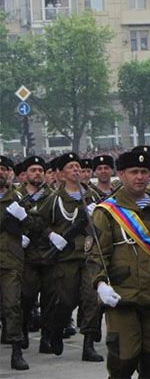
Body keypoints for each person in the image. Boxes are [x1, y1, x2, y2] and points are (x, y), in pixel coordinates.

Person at [88, 150, 150, 377]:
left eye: (144, 172)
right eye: (134, 172)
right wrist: (100, 284)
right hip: (123, 299)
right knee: (123, 362)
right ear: (122, 174)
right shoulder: (107, 212)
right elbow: (97, 254)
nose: (140, 177)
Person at [34, 153, 104, 360]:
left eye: (78, 166)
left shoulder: (92, 196)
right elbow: (37, 221)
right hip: (66, 257)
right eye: (71, 167)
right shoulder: (54, 199)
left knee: (91, 300)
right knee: (65, 300)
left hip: (90, 256)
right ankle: (55, 329)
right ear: (61, 174)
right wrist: (51, 235)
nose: (76, 170)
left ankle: (88, 345)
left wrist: (98, 214)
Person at [15, 156, 54, 352]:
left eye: (40, 170)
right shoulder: (16, 196)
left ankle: (46, 338)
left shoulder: (53, 196)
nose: (37, 173)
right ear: (26, 174)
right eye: (33, 170)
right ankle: (21, 331)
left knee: (49, 297)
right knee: (27, 296)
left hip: (49, 252)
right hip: (27, 255)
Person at [0, 155, 30, 370]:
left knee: (12, 305)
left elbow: (37, 224)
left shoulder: (18, 197)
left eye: (4, 169)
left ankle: (16, 350)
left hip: (11, 260)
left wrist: (23, 219)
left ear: (10, 173)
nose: (0, 173)